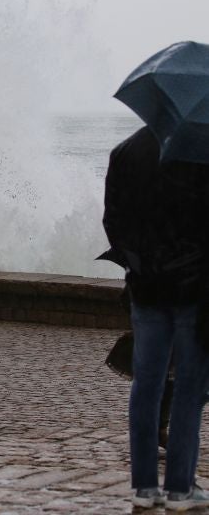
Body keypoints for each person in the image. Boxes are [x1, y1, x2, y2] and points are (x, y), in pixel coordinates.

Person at [103, 126, 209, 510]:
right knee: (189, 389)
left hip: (146, 289)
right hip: (191, 290)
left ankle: (145, 488)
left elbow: (113, 223)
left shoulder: (124, 152)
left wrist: (139, 267)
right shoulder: (199, 152)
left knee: (146, 387)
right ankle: (181, 488)